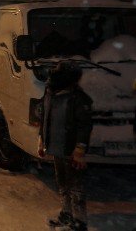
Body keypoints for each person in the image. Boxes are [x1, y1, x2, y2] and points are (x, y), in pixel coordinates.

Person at [38, 61, 93, 231]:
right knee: (62, 183)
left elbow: (85, 125)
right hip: (56, 146)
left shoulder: (78, 98)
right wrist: (41, 140)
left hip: (71, 150)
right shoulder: (50, 93)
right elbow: (45, 118)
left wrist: (80, 149)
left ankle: (79, 221)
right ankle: (66, 214)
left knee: (75, 186)